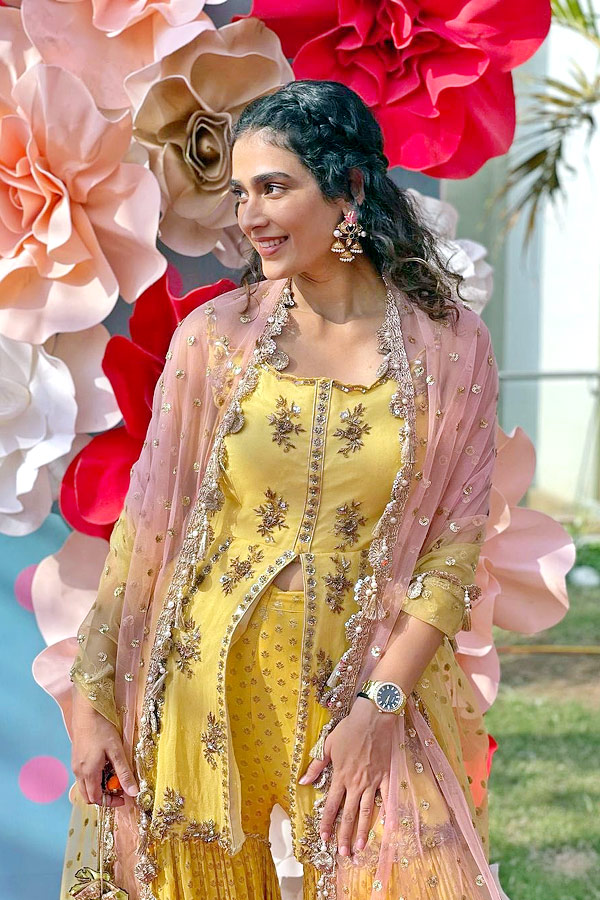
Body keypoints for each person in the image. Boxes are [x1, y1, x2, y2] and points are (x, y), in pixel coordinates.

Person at [66, 80, 502, 900]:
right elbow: (145, 531)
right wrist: (92, 701)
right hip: (203, 682)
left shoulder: (449, 348)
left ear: (350, 187)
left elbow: (451, 552)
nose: (250, 216)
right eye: (240, 194)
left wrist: (378, 706)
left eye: (274, 187)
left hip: (364, 683)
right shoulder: (216, 338)